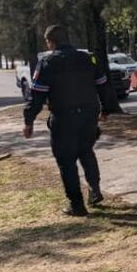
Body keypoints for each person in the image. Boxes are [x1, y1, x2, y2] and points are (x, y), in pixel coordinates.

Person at [22, 24, 107, 216]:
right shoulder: (88, 58)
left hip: (64, 117)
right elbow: (102, 84)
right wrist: (106, 109)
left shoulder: (48, 63)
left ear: (50, 42)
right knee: (86, 151)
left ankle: (76, 205)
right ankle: (94, 189)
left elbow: (36, 96)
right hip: (89, 115)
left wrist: (29, 121)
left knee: (66, 161)